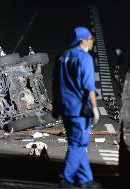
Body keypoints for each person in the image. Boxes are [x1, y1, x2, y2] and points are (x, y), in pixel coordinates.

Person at [52, 26, 100, 188]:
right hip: (80, 109)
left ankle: (86, 180)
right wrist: (95, 108)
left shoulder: (63, 56)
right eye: (90, 38)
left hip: (66, 108)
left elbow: (56, 83)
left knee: (77, 143)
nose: (92, 41)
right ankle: (65, 178)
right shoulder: (84, 59)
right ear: (83, 40)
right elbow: (89, 86)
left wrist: (56, 107)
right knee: (78, 144)